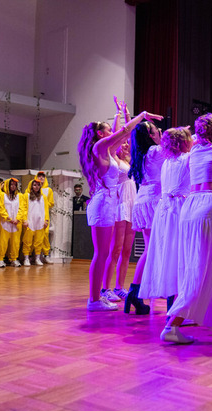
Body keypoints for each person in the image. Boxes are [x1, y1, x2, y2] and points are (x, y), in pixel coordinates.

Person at [161, 113, 212, 343]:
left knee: (197, 266)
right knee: (201, 267)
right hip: (209, 207)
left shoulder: (193, 150)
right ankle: (172, 324)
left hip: (190, 207)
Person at [78, 109, 162, 312]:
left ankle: (97, 297)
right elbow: (123, 131)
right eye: (108, 130)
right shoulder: (99, 146)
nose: (111, 132)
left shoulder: (107, 151)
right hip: (102, 203)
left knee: (104, 252)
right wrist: (141, 116)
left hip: (108, 202)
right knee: (101, 253)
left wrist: (129, 119)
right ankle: (94, 299)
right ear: (100, 134)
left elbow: (124, 135)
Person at [140, 127, 193, 304]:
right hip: (178, 208)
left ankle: (171, 296)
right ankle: (178, 299)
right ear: (184, 142)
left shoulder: (167, 162)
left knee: (167, 251)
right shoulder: (187, 158)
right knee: (179, 251)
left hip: (164, 209)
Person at [125, 119, 168, 314]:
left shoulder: (141, 153)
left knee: (151, 249)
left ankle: (137, 291)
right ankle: (136, 291)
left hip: (143, 199)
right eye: (156, 129)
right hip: (152, 201)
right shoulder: (154, 151)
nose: (159, 131)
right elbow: (177, 148)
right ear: (150, 135)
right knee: (151, 249)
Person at [103, 100, 136, 302]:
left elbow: (130, 135)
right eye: (122, 143)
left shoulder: (132, 161)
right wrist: (118, 114)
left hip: (132, 205)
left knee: (127, 250)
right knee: (115, 249)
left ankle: (119, 287)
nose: (125, 144)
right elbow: (119, 135)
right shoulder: (114, 159)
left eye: (127, 144)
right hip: (120, 205)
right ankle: (105, 289)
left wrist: (127, 114)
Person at [0, 178, 25, 267]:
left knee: (15, 242)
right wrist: (8, 218)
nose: (13, 186)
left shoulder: (20, 196)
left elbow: (22, 208)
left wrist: (17, 219)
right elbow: (1, 208)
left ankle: (14, 259)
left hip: (16, 223)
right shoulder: (2, 195)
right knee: (2, 242)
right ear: (7, 185)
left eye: (15, 185)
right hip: (5, 223)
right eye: (11, 184)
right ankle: (0, 259)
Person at [21, 178, 50, 266]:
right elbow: (23, 208)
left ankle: (37, 258)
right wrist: (24, 220)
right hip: (30, 222)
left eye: (38, 185)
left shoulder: (43, 197)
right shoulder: (26, 195)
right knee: (27, 241)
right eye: (34, 185)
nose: (36, 187)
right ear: (31, 186)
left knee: (39, 241)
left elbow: (46, 210)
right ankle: (26, 258)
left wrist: (46, 220)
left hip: (40, 222)